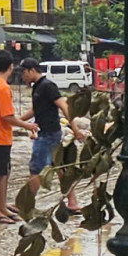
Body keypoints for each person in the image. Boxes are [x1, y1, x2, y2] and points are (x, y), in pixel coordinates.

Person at [0, 51, 37, 224]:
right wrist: (27, 125)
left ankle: (2, 207)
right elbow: (7, 116)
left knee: (3, 173)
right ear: (11, 67)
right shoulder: (3, 87)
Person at [20, 58, 80, 213]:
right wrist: (17, 121)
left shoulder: (47, 86)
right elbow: (35, 110)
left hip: (48, 134)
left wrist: (75, 129)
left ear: (32, 70)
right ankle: (73, 203)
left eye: (23, 72)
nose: (22, 76)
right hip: (48, 133)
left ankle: (26, 205)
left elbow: (64, 106)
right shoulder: (37, 87)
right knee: (60, 169)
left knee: (36, 169)